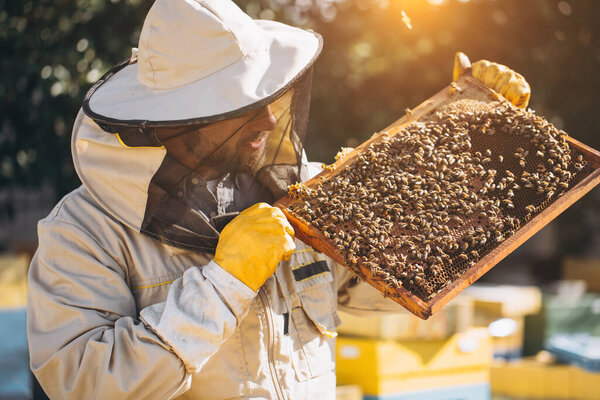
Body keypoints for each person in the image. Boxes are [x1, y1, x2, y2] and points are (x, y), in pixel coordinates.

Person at [27, 0, 531, 399]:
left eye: (269, 99)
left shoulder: (295, 189)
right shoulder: (83, 233)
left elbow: (384, 287)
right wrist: (224, 285)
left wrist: (473, 146)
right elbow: (81, 384)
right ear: (176, 119)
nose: (269, 121)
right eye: (244, 106)